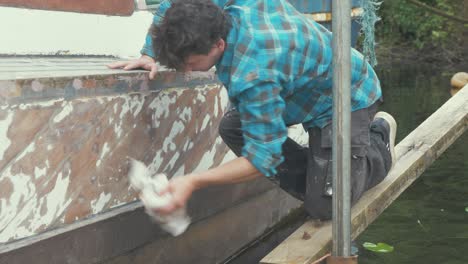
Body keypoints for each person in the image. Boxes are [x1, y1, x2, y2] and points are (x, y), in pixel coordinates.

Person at [108, 0, 397, 220]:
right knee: (233, 127)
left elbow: (263, 160)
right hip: (302, 91)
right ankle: (326, 172)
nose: (186, 71)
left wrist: (192, 181)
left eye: (191, 64)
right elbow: (178, 6)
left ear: (218, 44)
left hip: (346, 97)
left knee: (327, 207)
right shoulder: (230, 11)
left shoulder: (254, 72)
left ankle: (377, 142)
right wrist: (150, 51)